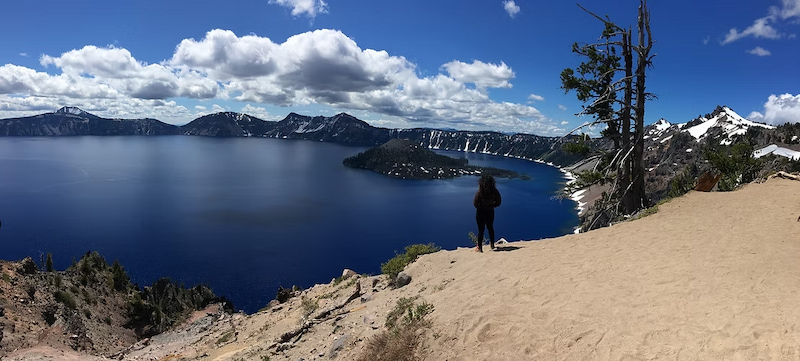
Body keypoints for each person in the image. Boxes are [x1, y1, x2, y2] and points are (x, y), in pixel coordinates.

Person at [473, 174, 501, 252]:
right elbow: (498, 202)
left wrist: (481, 207)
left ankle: (480, 248)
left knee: (481, 230)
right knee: (490, 228)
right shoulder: (495, 191)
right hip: (490, 212)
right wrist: (491, 205)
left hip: (480, 213)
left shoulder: (480, 192)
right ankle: (492, 245)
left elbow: (475, 203)